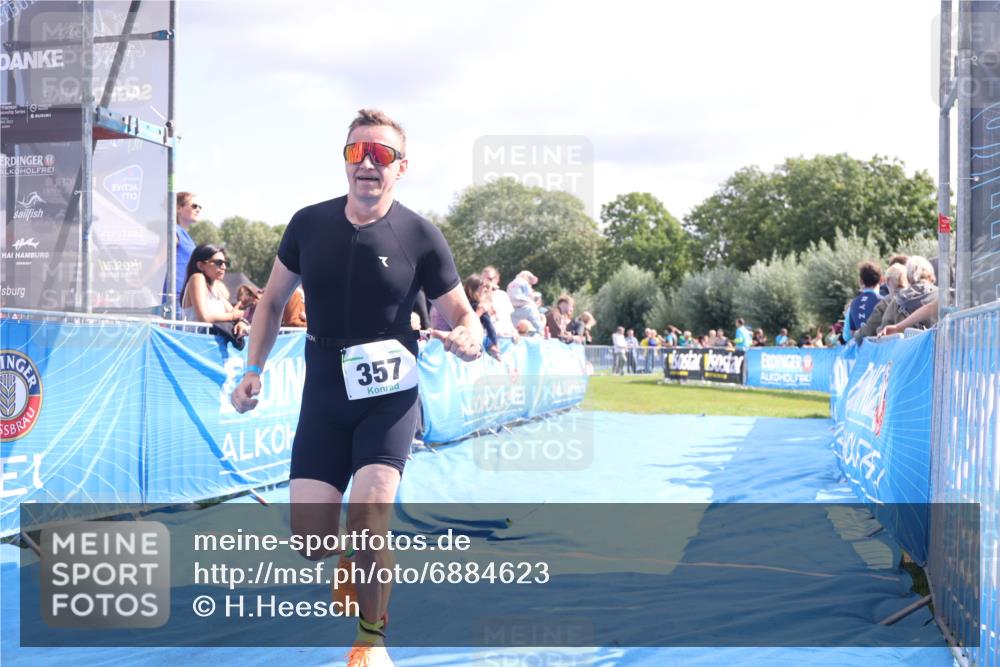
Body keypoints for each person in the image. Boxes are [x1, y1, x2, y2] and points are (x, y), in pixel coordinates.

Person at [229, 109, 482, 667]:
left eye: (382, 154)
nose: (367, 162)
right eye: (356, 152)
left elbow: (466, 315)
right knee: (313, 544)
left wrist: (467, 335)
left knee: (369, 517)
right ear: (344, 160)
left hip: (389, 397)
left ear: (402, 167)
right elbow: (271, 301)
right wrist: (254, 369)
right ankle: (351, 552)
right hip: (323, 395)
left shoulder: (421, 234)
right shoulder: (308, 224)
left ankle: (371, 639)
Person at [181, 244, 249, 347]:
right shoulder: (197, 278)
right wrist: (232, 316)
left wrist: (241, 322)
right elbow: (204, 317)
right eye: (219, 263)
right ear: (200, 265)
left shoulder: (216, 288)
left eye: (225, 263)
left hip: (212, 348)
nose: (224, 267)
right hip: (197, 346)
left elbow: (235, 313)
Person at [879, 256, 939, 331]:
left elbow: (883, 330)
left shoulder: (897, 301)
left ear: (908, 277)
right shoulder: (941, 296)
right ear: (931, 275)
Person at [168, 191, 200, 306]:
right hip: (174, 295)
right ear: (178, 208)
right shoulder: (173, 231)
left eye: (199, 207)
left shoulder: (185, 235)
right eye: (194, 206)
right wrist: (141, 281)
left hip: (185, 295)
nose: (198, 209)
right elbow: (159, 260)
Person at [843, 261, 883, 341]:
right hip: (881, 349)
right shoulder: (884, 301)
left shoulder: (853, 303)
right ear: (881, 280)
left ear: (861, 281)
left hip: (862, 350)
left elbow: (847, 336)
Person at [481, 266, 517, 339]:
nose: (486, 282)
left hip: (506, 337)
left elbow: (508, 318)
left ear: (497, 278)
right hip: (488, 338)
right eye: (483, 280)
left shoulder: (503, 295)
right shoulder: (479, 297)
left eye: (490, 279)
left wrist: (514, 331)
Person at [508, 270, 545, 335]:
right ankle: (541, 333)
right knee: (533, 312)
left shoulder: (511, 284)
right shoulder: (524, 282)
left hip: (512, 309)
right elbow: (529, 295)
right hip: (524, 306)